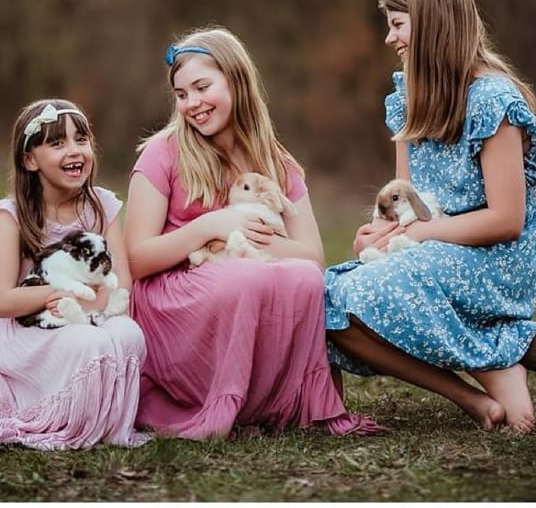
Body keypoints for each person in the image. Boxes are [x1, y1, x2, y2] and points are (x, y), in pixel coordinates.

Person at [124, 27, 380, 440]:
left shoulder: (274, 162)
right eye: (181, 94)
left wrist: (250, 236)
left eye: (202, 87)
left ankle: (276, 403)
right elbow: (136, 257)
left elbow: (311, 255)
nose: (192, 104)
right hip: (174, 294)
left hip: (243, 277)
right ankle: (218, 405)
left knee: (303, 278)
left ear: (236, 80)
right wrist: (211, 226)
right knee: (246, 275)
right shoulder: (164, 153)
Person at [323, 0, 536, 433]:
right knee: (326, 300)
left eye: (398, 24)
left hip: (493, 260)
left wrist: (417, 233)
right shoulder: (410, 97)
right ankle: (469, 397)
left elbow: (507, 219)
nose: (390, 38)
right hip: (430, 248)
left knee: (369, 285)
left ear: (432, 23)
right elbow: (407, 200)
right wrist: (380, 234)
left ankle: (497, 364)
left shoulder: (493, 100)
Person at [0, 99, 151, 450]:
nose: (74, 150)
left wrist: (94, 305)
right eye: (57, 143)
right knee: (89, 344)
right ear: (29, 160)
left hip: (88, 312)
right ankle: (60, 422)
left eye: (81, 140)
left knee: (127, 333)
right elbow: (4, 301)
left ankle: (105, 425)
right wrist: (61, 295)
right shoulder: (10, 216)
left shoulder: (101, 206)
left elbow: (120, 278)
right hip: (23, 326)